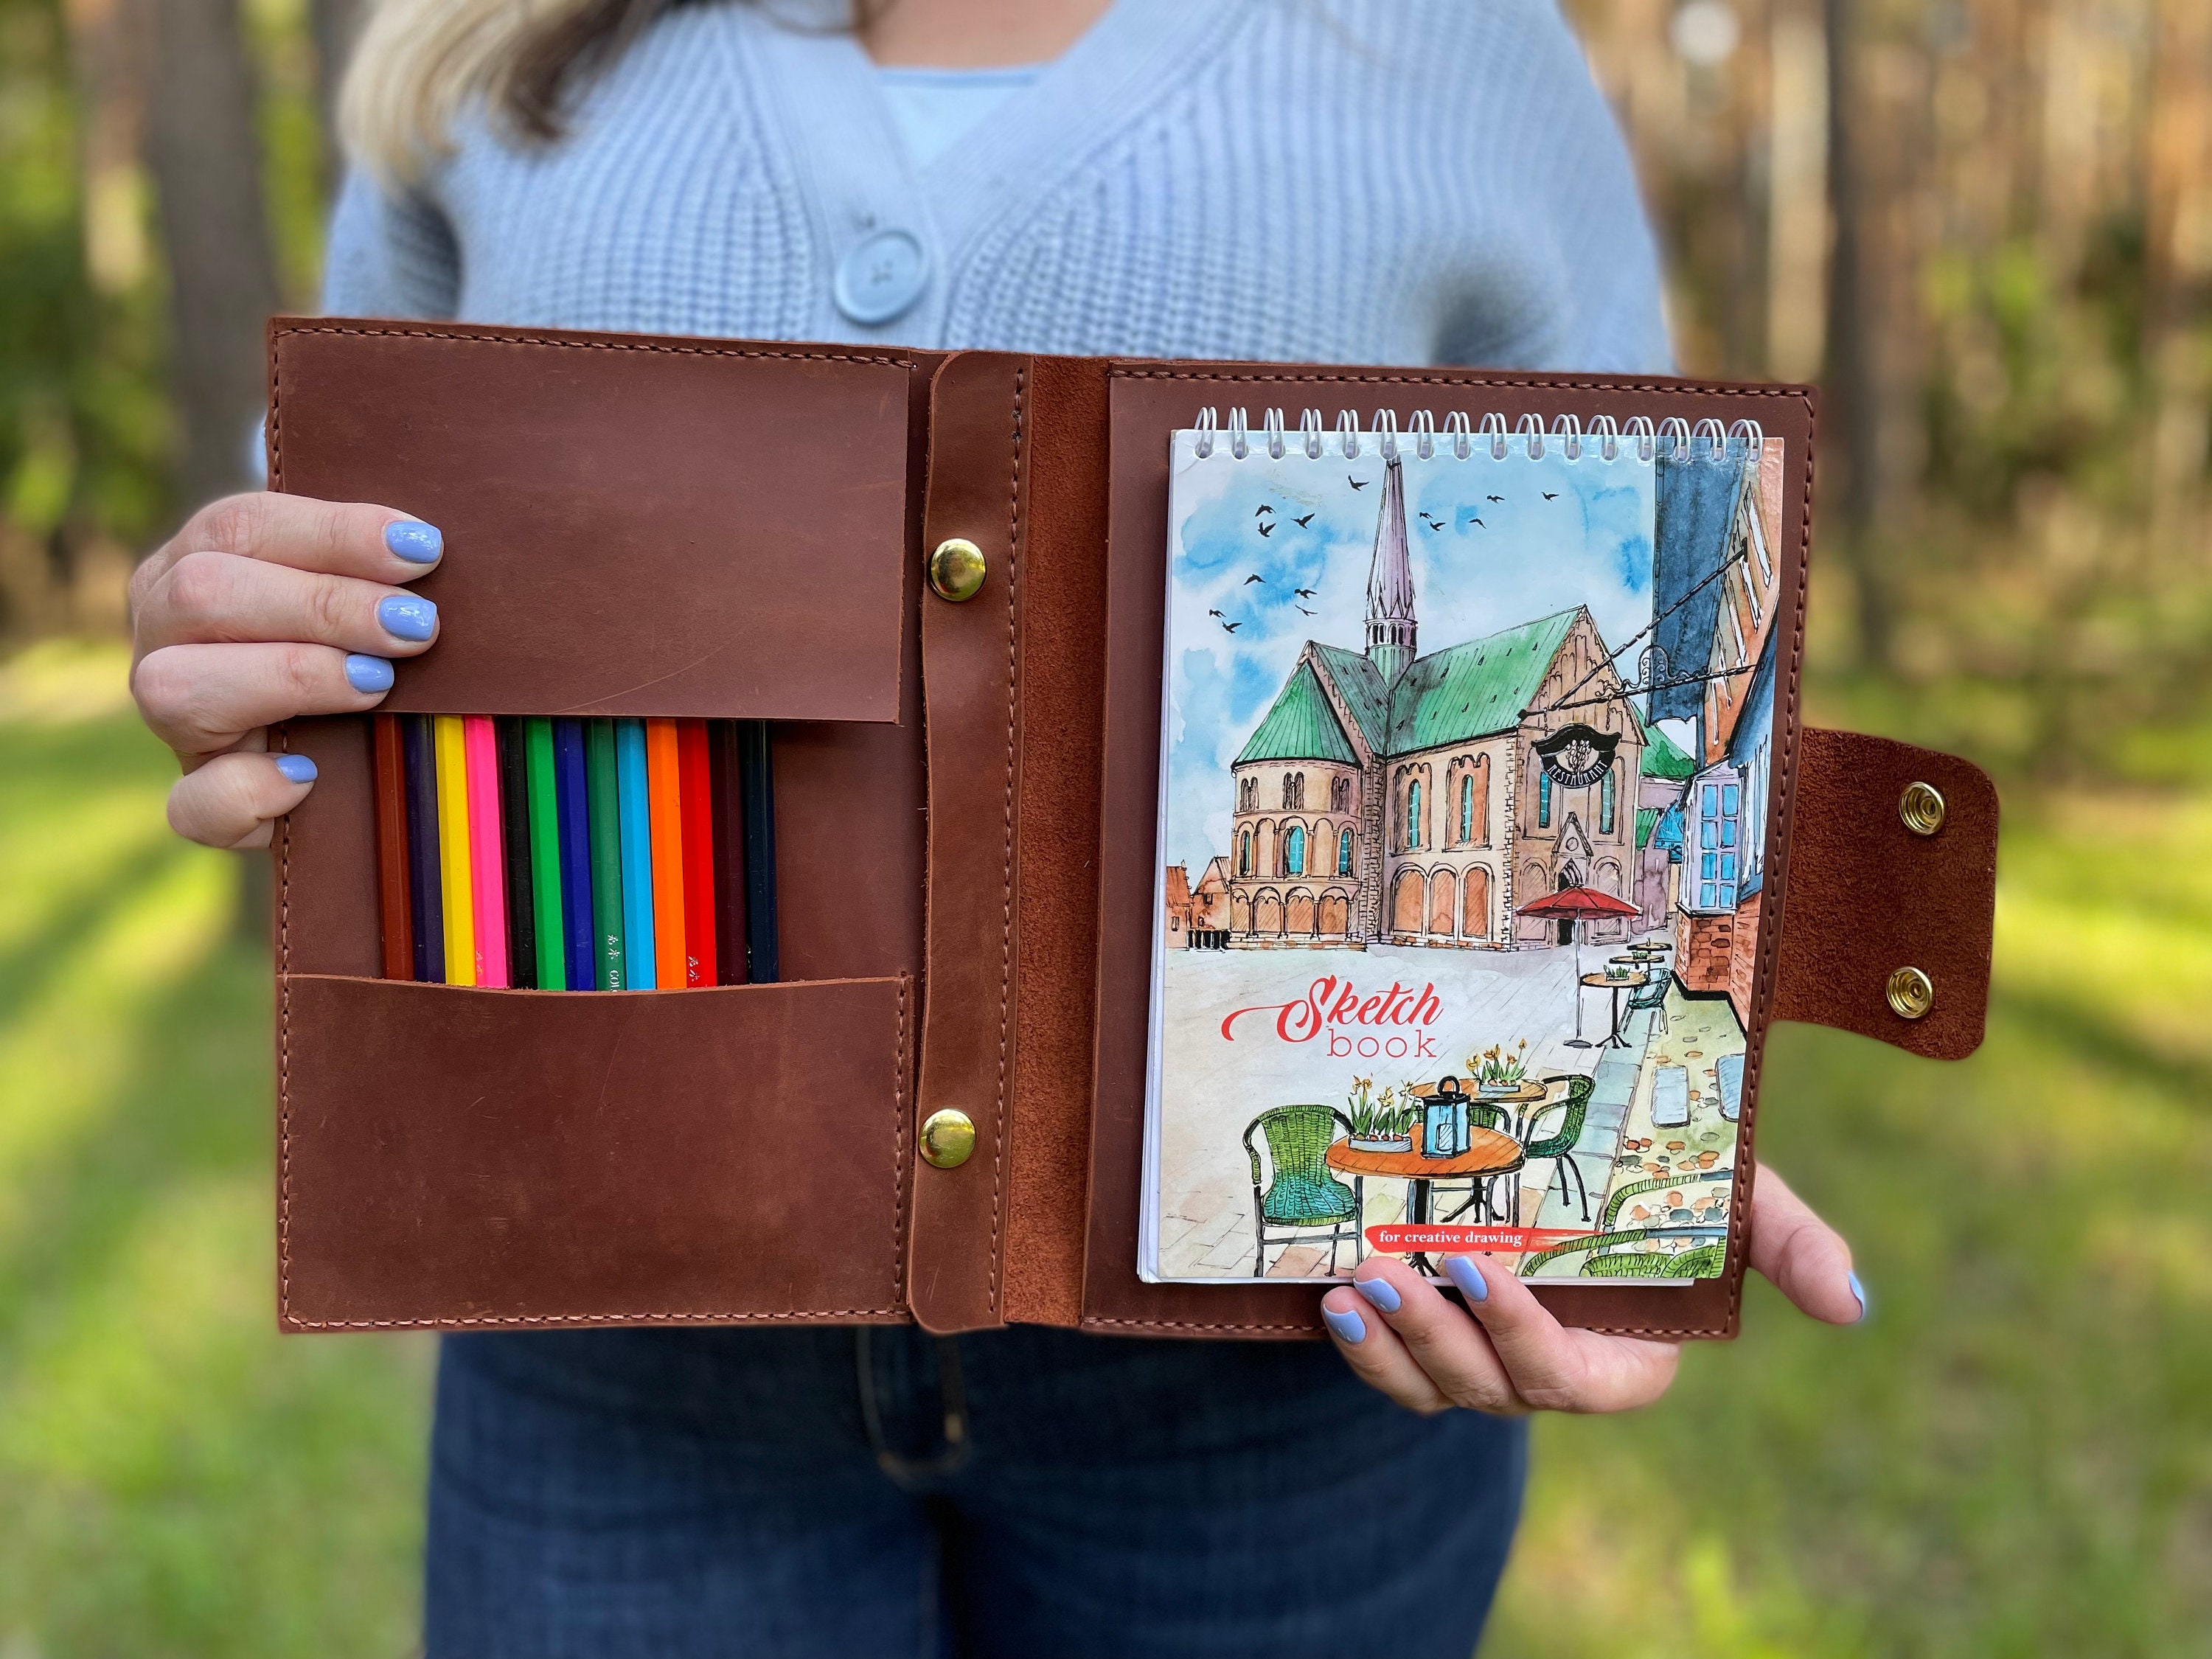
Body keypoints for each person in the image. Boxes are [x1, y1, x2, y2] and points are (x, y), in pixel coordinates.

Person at [126, 1, 1866, 1652]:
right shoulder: (485, 50)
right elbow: (325, 562)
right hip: (616, 1346)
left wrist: (1667, 1109)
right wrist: (241, 635)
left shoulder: (1458, 48)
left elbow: (1666, 618)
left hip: (1264, 1398)